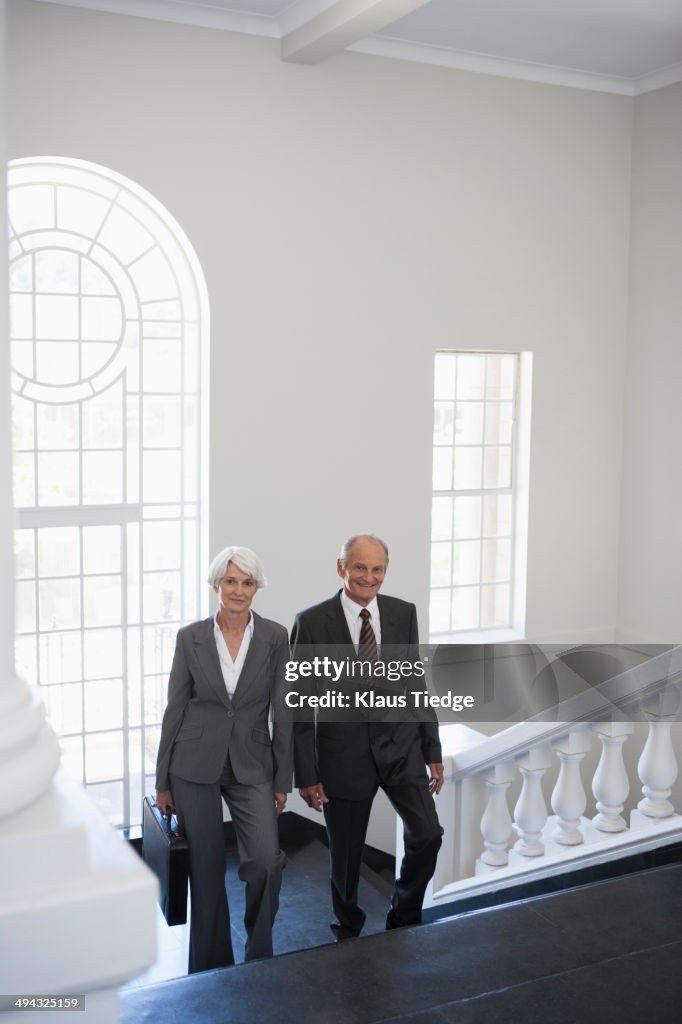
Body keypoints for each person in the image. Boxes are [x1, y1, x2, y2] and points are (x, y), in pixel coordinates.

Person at [291, 533, 444, 939]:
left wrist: (432, 748)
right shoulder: (310, 623)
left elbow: (415, 683)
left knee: (428, 833)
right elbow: (299, 706)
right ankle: (348, 924)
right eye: (360, 567)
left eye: (377, 569)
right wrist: (306, 774)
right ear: (341, 568)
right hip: (343, 757)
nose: (368, 577)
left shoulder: (402, 613)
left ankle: (404, 915)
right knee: (345, 855)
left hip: (401, 749)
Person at [155, 546, 292, 973]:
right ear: (216, 585)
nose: (238, 590)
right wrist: (162, 782)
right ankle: (211, 967)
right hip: (192, 764)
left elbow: (283, 711)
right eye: (230, 581)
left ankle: (260, 955)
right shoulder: (190, 637)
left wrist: (282, 780)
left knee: (266, 860)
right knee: (207, 868)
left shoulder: (274, 637)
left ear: (256, 588)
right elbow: (174, 708)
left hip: (252, 762)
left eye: (247, 582)